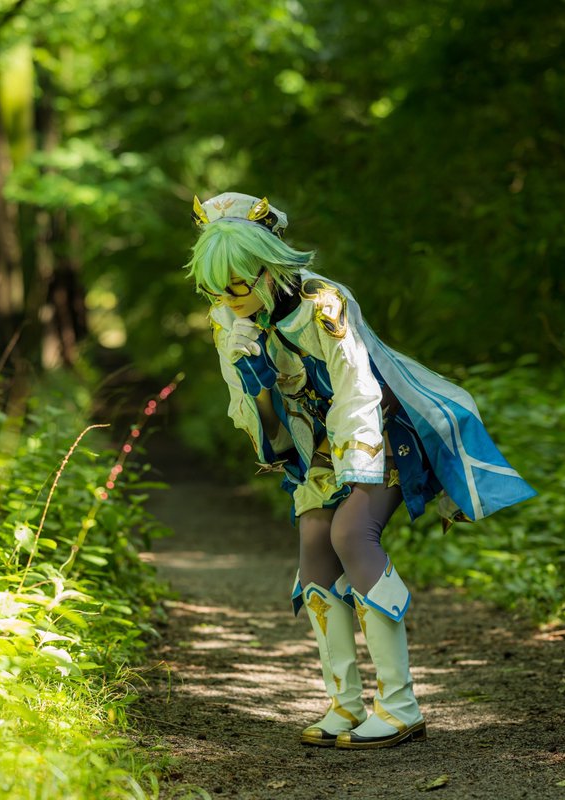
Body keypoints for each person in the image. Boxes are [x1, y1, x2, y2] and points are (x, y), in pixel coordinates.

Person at [184, 191, 536, 750]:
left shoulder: (324, 302)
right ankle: (344, 704)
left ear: (269, 268)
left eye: (237, 285)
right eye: (215, 289)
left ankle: (400, 706)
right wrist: (255, 382)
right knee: (314, 548)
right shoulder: (229, 321)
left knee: (352, 533)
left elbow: (357, 391)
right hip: (316, 446)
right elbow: (262, 425)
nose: (228, 299)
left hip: (382, 432)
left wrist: (357, 470)